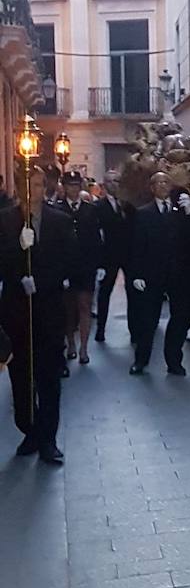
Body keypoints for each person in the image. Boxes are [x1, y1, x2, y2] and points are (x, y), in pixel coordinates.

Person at [0, 166, 76, 462]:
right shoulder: (5, 221)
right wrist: (18, 261)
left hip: (49, 310)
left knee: (48, 377)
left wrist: (41, 282)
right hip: (16, 311)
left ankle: (48, 439)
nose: (36, 190)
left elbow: (69, 261)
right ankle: (28, 429)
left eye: (41, 184)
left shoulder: (60, 221)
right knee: (21, 376)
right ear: (20, 188)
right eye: (30, 184)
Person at [129, 171, 190, 376]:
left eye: (167, 182)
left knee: (180, 317)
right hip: (152, 273)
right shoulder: (143, 213)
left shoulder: (182, 212)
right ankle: (141, 359)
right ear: (152, 187)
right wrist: (137, 274)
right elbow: (136, 245)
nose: (163, 185)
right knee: (148, 320)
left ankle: (174, 360)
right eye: (159, 182)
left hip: (179, 274)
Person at [55, 170, 105, 365]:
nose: (73, 189)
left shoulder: (90, 209)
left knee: (84, 306)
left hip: (86, 266)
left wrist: (100, 264)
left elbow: (96, 239)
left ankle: (84, 348)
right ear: (64, 187)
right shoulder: (58, 209)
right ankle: (71, 343)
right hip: (66, 267)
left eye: (76, 185)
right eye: (70, 185)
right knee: (68, 310)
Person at [95, 169, 137, 344]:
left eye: (117, 181)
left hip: (128, 254)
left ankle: (134, 329)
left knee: (133, 293)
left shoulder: (128, 206)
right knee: (105, 293)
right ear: (105, 185)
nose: (115, 184)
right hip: (109, 256)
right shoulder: (99, 207)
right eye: (111, 181)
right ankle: (101, 328)